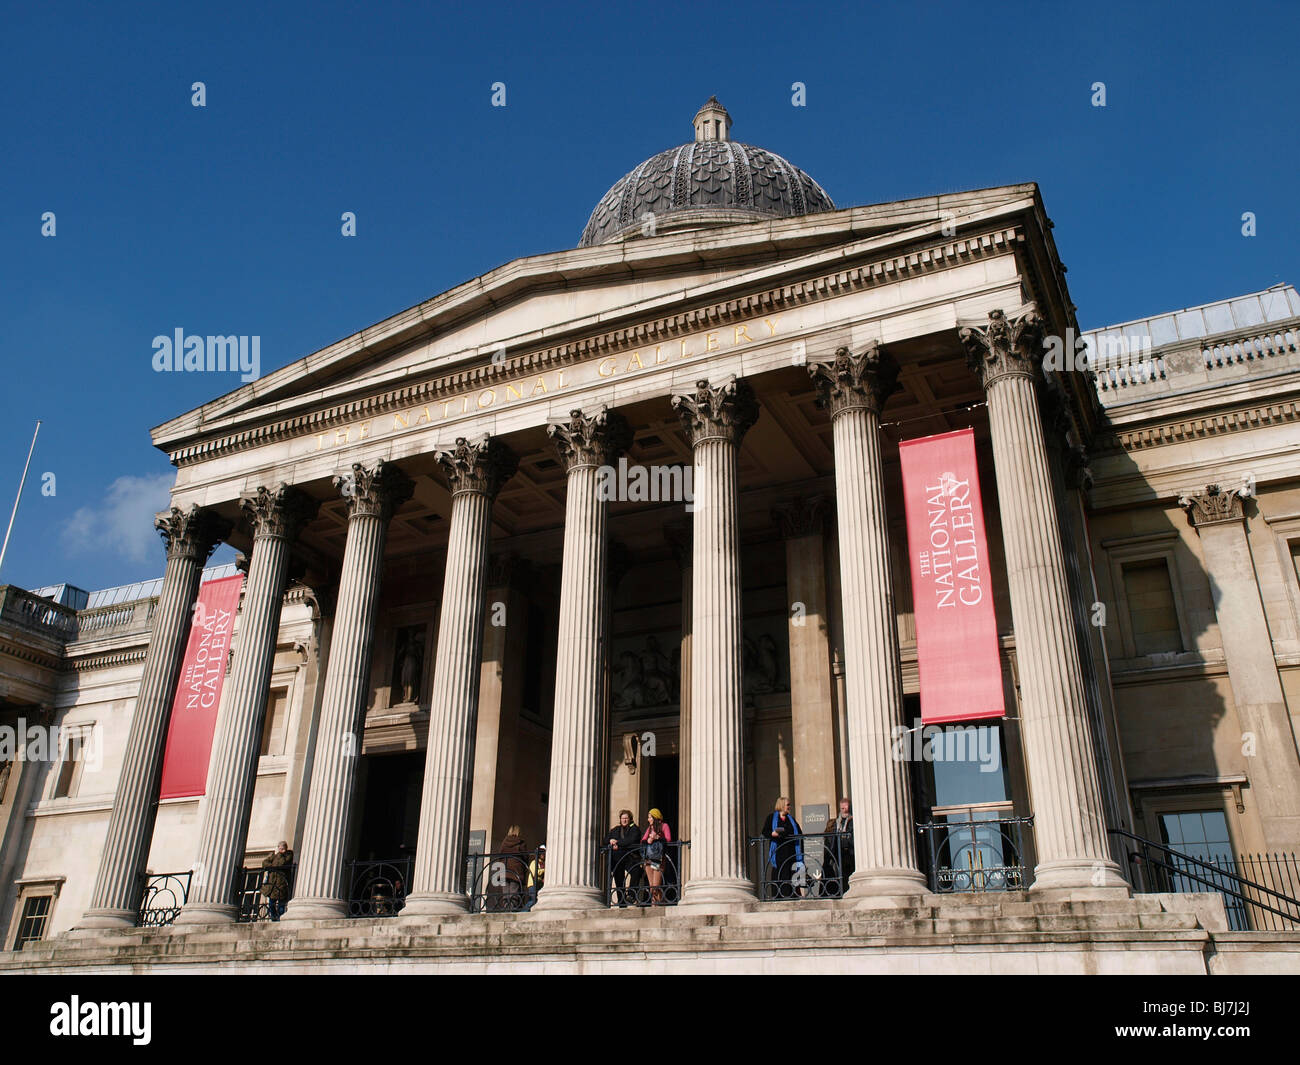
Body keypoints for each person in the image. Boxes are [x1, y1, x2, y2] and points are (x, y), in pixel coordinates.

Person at [759, 798, 803, 899]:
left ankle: (791, 896)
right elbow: (765, 832)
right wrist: (772, 834)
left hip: (791, 852)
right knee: (779, 874)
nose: (789, 807)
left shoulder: (791, 819)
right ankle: (779, 896)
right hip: (779, 852)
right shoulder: (771, 818)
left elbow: (799, 833)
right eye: (787, 804)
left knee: (791, 874)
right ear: (782, 805)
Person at [607, 810, 641, 906]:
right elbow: (605, 840)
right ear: (620, 819)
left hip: (630, 857)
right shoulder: (616, 830)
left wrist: (617, 843)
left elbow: (631, 840)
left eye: (626, 818)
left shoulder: (634, 829)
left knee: (636, 871)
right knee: (619, 880)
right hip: (617, 859)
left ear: (630, 819)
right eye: (623, 818)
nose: (624, 820)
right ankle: (622, 903)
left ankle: (631, 895)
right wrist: (610, 841)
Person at [640, 808, 673, 906]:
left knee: (656, 886)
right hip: (649, 859)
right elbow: (643, 840)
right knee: (651, 886)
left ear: (655, 817)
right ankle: (655, 905)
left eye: (650, 817)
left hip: (659, 859)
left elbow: (668, 839)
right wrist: (648, 839)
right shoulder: (649, 828)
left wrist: (657, 837)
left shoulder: (664, 826)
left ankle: (661, 904)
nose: (648, 819)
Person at [495, 825, 529, 911]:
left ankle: (507, 909)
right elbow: (525, 857)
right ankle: (513, 909)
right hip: (516, 870)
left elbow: (500, 854)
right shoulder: (520, 842)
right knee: (514, 891)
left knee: (506, 892)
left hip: (503, 869)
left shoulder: (504, 842)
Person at [827, 798, 854, 894]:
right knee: (840, 875)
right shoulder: (836, 823)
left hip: (850, 853)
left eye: (846, 808)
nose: (844, 810)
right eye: (842, 808)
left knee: (850, 873)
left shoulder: (852, 821)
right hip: (839, 853)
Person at [260, 840, 293, 921]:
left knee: (281, 905)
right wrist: (273, 866)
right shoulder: (274, 856)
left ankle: (279, 918)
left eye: (283, 848)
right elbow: (264, 862)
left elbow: (282, 863)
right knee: (271, 903)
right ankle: (274, 917)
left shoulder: (288, 855)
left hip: (282, 884)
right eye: (280, 848)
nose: (281, 850)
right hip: (272, 884)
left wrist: (281, 855)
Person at [525, 845, 546, 910]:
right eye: (542, 853)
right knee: (533, 901)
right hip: (532, 884)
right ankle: (523, 911)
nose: (543, 855)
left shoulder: (543, 863)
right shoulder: (534, 862)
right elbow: (534, 873)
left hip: (538, 884)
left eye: (544, 853)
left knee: (536, 901)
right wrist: (544, 870)